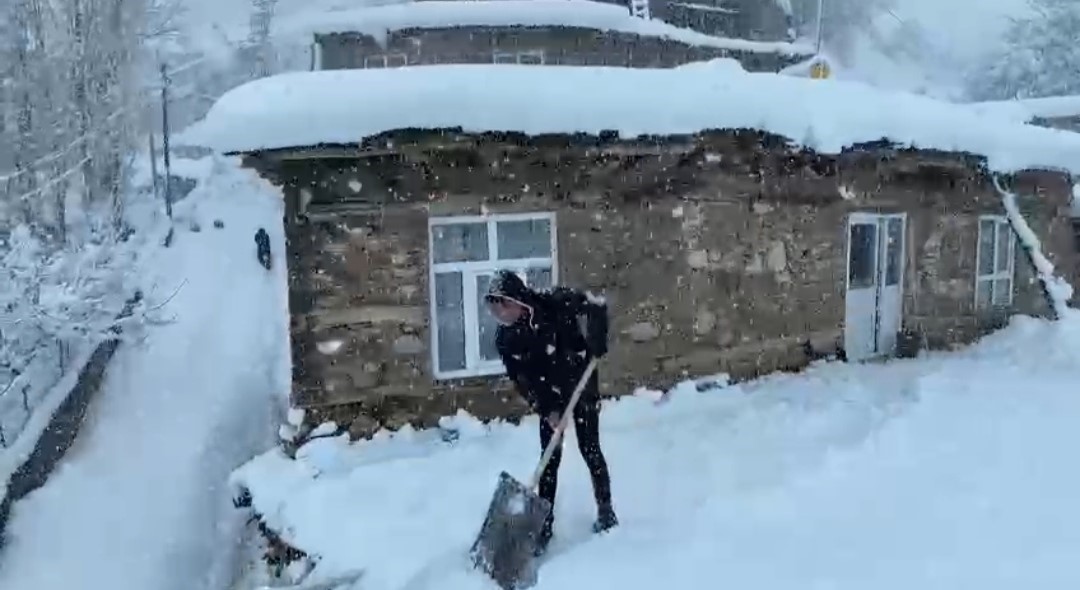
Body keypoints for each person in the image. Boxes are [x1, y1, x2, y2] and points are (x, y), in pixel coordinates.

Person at [484, 269, 617, 556]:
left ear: (517, 300)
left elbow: (595, 305)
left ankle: (606, 511)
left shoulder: (554, 303)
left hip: (580, 383)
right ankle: (543, 526)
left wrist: (597, 338)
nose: (498, 313)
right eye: (492, 307)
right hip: (550, 394)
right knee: (550, 459)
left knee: (590, 447)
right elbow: (523, 380)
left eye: (502, 304)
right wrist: (547, 409)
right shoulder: (506, 339)